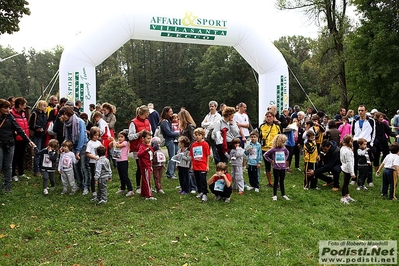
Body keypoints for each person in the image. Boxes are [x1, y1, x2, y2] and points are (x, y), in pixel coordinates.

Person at [0, 99, 35, 192]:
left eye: (8, 107)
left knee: (8, 166)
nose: (8, 109)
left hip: (10, 143)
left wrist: (28, 140)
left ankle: (8, 186)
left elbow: (19, 129)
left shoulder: (10, 116)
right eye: (5, 107)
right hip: (0, 143)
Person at [58, 106, 90, 195]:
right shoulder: (66, 123)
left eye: (63, 114)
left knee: (84, 167)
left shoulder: (79, 122)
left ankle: (86, 186)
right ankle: (80, 184)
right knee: (76, 166)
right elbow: (67, 137)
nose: (62, 117)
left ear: (68, 113)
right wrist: (63, 146)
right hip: (74, 146)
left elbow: (81, 137)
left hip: (82, 146)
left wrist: (78, 151)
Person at [128, 105, 152, 192]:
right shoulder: (133, 122)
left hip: (147, 147)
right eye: (148, 112)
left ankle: (147, 185)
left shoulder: (147, 121)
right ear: (144, 113)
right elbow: (130, 137)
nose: (149, 114)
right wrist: (139, 134)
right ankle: (139, 186)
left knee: (147, 166)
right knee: (140, 167)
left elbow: (151, 132)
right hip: (137, 148)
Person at [351, 105, 375, 186]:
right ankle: (354, 178)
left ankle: (369, 180)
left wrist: (371, 143)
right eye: (359, 110)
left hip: (366, 142)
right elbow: (352, 132)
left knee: (368, 161)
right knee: (355, 160)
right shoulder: (355, 120)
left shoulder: (371, 121)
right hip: (356, 141)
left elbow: (373, 132)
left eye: (362, 110)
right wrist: (352, 144)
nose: (360, 112)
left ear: (365, 111)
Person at [264, 134, 290, 201]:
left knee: (282, 181)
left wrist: (285, 159)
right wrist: (271, 161)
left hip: (283, 168)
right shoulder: (273, 149)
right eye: (283, 142)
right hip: (276, 168)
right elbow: (265, 155)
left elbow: (287, 153)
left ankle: (283, 194)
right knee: (276, 181)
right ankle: (274, 195)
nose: (284, 143)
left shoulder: (284, 149)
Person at [258, 111, 281, 187]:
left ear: (273, 117)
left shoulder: (277, 126)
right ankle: (270, 182)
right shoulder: (262, 126)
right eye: (267, 116)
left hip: (275, 149)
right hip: (265, 149)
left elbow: (280, 137)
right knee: (267, 166)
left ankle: (276, 183)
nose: (268, 118)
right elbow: (259, 138)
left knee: (276, 166)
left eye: (270, 116)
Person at [11, 97, 31, 181]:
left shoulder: (23, 113)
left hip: (23, 137)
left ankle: (21, 172)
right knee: (14, 156)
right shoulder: (11, 113)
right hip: (16, 138)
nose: (25, 106)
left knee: (21, 156)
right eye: (24, 104)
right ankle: (13, 174)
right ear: (19, 105)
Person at [190, 127, 211, 202]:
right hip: (196, 165)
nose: (197, 136)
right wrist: (192, 165)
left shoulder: (205, 144)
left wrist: (207, 165)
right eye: (196, 135)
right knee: (197, 179)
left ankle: (205, 193)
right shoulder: (193, 145)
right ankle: (200, 191)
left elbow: (208, 155)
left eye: (199, 135)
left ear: (202, 135)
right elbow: (192, 155)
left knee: (202, 180)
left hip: (203, 165)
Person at [159, 106, 180, 179]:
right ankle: (170, 174)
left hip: (174, 140)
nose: (172, 113)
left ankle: (172, 172)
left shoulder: (169, 121)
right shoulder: (164, 122)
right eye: (170, 111)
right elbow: (168, 133)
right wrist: (177, 133)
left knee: (175, 156)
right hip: (169, 140)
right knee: (172, 157)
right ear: (166, 112)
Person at [29, 100, 48, 177]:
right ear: (40, 106)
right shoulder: (34, 114)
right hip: (37, 135)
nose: (45, 107)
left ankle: (41, 167)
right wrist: (38, 128)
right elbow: (31, 125)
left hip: (44, 134)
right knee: (37, 152)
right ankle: (36, 170)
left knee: (43, 152)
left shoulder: (44, 114)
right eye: (44, 106)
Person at [137, 130, 157, 200]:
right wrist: (145, 151)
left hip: (148, 164)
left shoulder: (148, 146)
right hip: (144, 165)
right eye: (148, 138)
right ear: (143, 138)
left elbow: (151, 153)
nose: (149, 140)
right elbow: (139, 154)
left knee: (145, 179)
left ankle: (143, 193)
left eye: (150, 138)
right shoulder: (142, 146)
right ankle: (148, 195)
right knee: (147, 180)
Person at [86, 127, 102, 198]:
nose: (96, 137)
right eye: (95, 135)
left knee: (100, 176)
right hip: (93, 162)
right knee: (93, 176)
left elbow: (102, 150)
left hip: (99, 162)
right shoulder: (90, 143)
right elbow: (88, 153)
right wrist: (95, 157)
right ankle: (93, 191)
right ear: (91, 135)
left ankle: (100, 189)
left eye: (97, 135)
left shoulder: (99, 142)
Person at [340, 135, 356, 204]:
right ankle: (343, 197)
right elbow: (349, 162)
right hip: (348, 169)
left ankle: (347, 195)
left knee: (346, 182)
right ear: (350, 142)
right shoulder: (348, 152)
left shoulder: (343, 148)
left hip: (344, 166)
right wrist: (352, 173)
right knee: (345, 183)